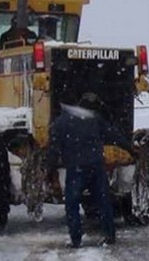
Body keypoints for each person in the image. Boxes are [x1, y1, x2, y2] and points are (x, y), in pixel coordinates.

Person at [47, 93, 132, 248]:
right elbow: (113, 135)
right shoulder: (94, 119)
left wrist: (50, 170)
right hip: (96, 166)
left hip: (75, 168)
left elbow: (53, 150)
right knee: (103, 201)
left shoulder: (60, 123)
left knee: (72, 203)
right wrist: (131, 149)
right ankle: (109, 234)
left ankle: (76, 239)